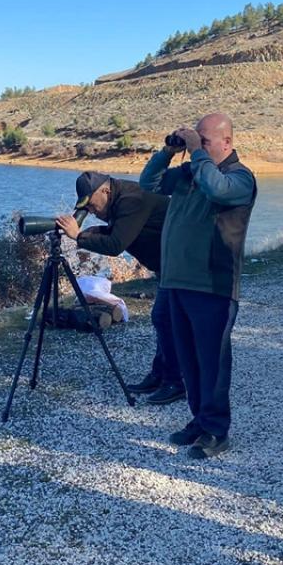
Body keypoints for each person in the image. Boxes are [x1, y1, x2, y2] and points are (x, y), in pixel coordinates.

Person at [140, 113, 256, 459]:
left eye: (204, 141)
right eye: (196, 140)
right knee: (189, 360)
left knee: (212, 362)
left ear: (227, 142)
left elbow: (216, 189)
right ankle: (199, 420)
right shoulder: (189, 172)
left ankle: (216, 430)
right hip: (176, 281)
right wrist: (167, 151)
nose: (197, 147)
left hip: (212, 285)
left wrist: (196, 153)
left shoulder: (240, 177)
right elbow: (149, 183)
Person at [54, 171, 183, 406]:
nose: (92, 211)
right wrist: (84, 233)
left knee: (164, 318)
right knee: (165, 319)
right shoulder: (118, 199)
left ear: (105, 190)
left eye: (91, 205)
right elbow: (118, 230)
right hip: (169, 263)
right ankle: (161, 375)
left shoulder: (132, 200)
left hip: (181, 262)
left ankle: (175, 382)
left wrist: (79, 236)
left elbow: (116, 244)